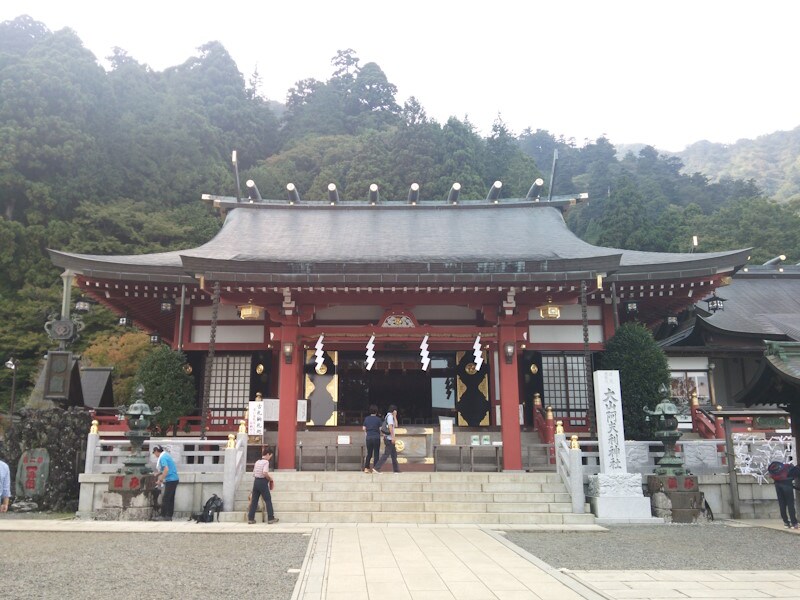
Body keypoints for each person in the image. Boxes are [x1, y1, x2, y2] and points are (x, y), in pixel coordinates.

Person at [248, 446, 278, 524]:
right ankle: (271, 518)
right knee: (268, 500)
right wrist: (270, 478)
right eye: (270, 456)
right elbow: (265, 472)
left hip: (256, 481)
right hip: (262, 482)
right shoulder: (266, 462)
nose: (270, 458)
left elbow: (254, 473)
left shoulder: (257, 461)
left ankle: (251, 518)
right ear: (268, 454)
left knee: (254, 500)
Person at [767, 460, 800, 529]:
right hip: (787, 485)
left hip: (777, 485)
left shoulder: (779, 469)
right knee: (790, 504)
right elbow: (795, 475)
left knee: (782, 504)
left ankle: (786, 523)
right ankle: (794, 523)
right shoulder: (790, 468)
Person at [152, 445, 179, 521]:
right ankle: (169, 516)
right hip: (174, 479)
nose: (155, 455)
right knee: (170, 499)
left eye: (154, 453)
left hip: (171, 479)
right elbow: (166, 468)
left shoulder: (163, 457)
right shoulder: (166, 455)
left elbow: (166, 470)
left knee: (166, 498)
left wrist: (160, 480)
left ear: (157, 451)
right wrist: (158, 473)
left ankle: (163, 515)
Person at [373, 405, 400, 474]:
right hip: (389, 438)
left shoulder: (390, 416)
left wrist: (395, 416)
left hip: (389, 438)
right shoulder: (390, 417)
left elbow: (396, 425)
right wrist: (393, 437)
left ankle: (396, 470)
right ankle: (377, 468)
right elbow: (391, 427)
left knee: (394, 454)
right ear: (394, 410)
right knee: (386, 454)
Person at [362, 405, 382, 473]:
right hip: (376, 437)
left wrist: (367, 433)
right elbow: (380, 429)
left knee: (369, 453)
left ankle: (366, 468)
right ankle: (375, 468)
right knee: (376, 453)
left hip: (369, 438)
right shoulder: (378, 419)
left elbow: (364, 428)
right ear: (376, 411)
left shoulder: (366, 418)